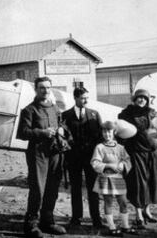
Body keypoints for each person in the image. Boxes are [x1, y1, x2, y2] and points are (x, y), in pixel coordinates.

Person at [17, 76, 69, 238]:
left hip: (54, 153)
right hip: (37, 154)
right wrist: (42, 133)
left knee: (52, 188)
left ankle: (48, 221)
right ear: (36, 89)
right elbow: (22, 133)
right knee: (38, 189)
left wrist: (62, 130)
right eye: (42, 88)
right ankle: (31, 225)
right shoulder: (29, 110)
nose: (46, 91)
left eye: (48, 87)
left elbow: (62, 125)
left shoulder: (54, 108)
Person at [118, 89, 157, 227]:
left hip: (151, 153)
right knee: (138, 184)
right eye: (139, 97)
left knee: (151, 183)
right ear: (134, 99)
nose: (141, 100)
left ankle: (147, 211)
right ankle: (138, 215)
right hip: (136, 154)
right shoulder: (126, 114)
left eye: (144, 98)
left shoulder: (152, 113)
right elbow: (120, 132)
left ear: (148, 100)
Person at [62, 87, 103, 228]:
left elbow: (100, 138)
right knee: (76, 188)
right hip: (73, 159)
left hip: (91, 159)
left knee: (93, 189)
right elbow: (63, 137)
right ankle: (76, 218)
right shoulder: (65, 115)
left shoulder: (94, 115)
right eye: (82, 98)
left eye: (87, 97)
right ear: (75, 98)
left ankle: (96, 219)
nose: (86, 100)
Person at [91, 121, 135, 236]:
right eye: (104, 131)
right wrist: (108, 166)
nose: (107, 134)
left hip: (118, 178)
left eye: (109, 131)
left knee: (123, 202)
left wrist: (122, 165)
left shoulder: (120, 148)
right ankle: (112, 227)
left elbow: (127, 160)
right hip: (105, 178)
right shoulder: (99, 147)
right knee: (108, 202)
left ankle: (125, 225)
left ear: (114, 132)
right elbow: (95, 162)